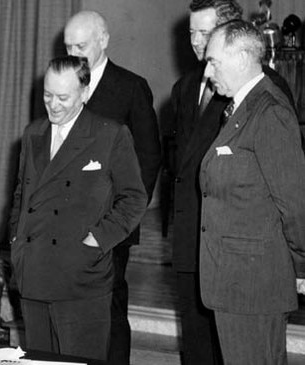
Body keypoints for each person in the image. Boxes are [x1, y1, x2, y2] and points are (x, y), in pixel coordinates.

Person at [170, 1, 295, 363]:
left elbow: (288, 189)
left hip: (243, 265)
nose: (196, 43)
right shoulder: (191, 89)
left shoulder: (266, 99)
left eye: (205, 35)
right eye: (191, 32)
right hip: (203, 248)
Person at [9, 55, 147, 360]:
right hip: (34, 270)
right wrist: (17, 242)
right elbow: (22, 194)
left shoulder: (110, 134)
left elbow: (135, 198)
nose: (53, 105)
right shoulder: (33, 133)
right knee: (40, 361)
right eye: (47, 95)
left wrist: (97, 240)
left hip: (80, 276)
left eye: (63, 97)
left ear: (84, 93)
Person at [199, 20, 305, 364]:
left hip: (253, 285)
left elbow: (295, 203)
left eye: (214, 60)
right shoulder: (242, 108)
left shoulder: (269, 111)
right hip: (234, 279)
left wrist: (301, 268)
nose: (207, 68)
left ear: (243, 57)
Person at [63, 11, 161, 363]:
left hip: (111, 221)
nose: (73, 54)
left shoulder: (131, 87)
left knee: (110, 305)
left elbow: (149, 156)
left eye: (81, 45)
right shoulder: (60, 81)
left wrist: (127, 214)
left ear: (104, 40)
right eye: (68, 46)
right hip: (64, 220)